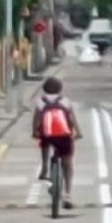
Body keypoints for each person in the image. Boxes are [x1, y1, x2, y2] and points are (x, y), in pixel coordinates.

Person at [33, 77, 82, 209]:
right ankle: (68, 194)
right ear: (60, 89)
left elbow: (37, 120)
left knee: (44, 142)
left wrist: (35, 132)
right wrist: (78, 132)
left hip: (47, 135)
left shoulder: (40, 102)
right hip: (63, 136)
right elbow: (71, 118)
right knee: (67, 162)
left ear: (44, 88)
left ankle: (44, 167)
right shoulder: (65, 101)